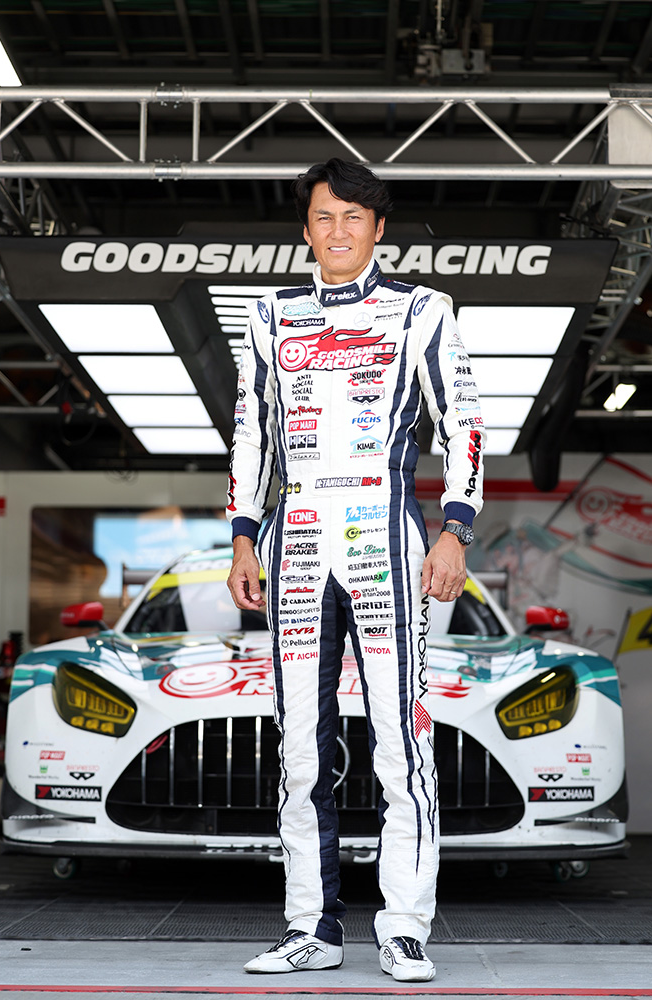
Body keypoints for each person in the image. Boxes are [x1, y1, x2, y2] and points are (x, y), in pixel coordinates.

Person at [226, 157, 485, 983]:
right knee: (300, 751)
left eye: (352, 217)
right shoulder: (266, 315)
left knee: (400, 745)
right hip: (294, 540)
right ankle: (311, 925)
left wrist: (455, 529)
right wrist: (241, 536)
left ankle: (403, 928)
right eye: (322, 216)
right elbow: (251, 434)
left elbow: (464, 422)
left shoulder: (421, 309)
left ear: (377, 228)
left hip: (385, 534)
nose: (337, 231)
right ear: (305, 230)